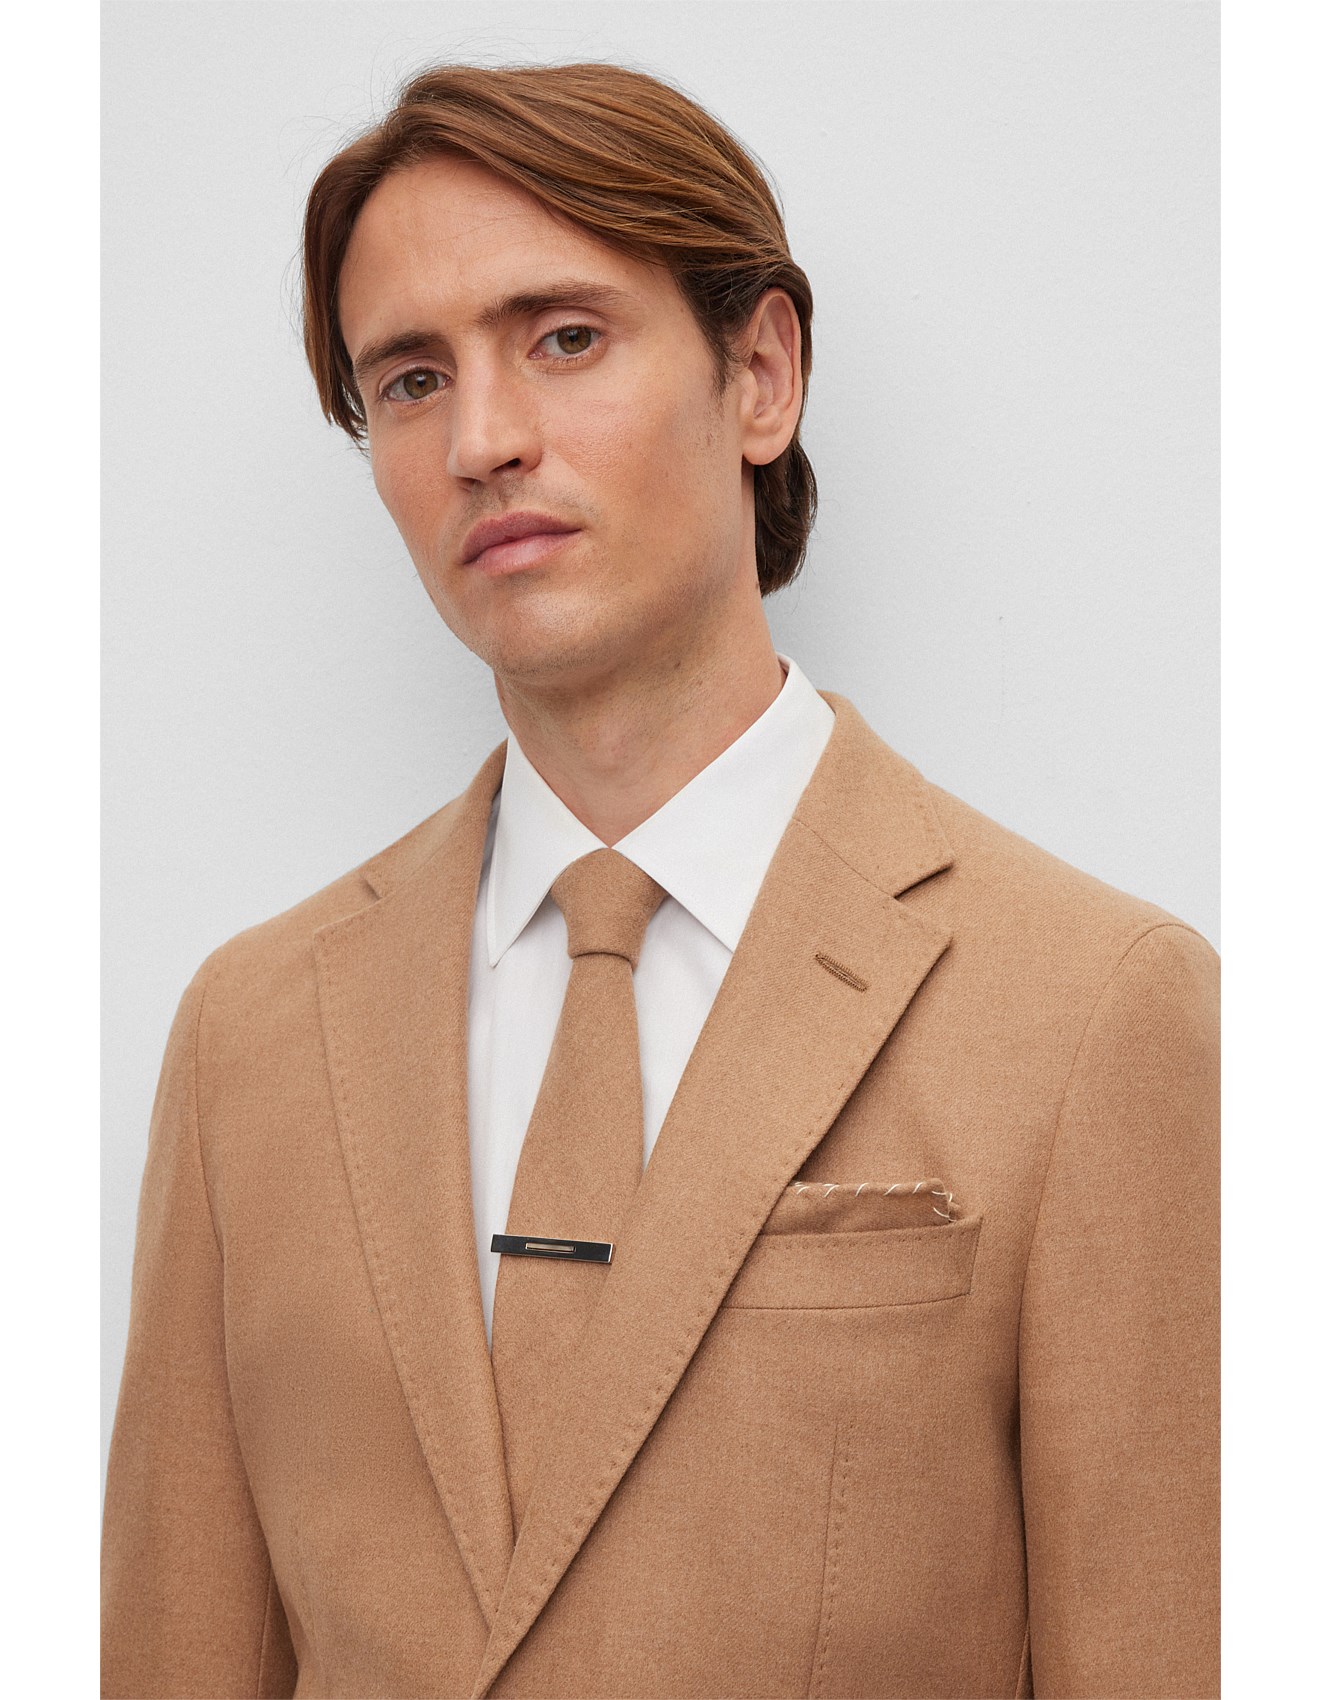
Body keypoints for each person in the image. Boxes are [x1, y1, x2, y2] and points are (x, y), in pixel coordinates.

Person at [101, 61, 1218, 1700]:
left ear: (760, 375)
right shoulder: (249, 1038)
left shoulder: (1094, 1009)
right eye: (410, 380)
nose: (483, 440)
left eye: (563, 338)